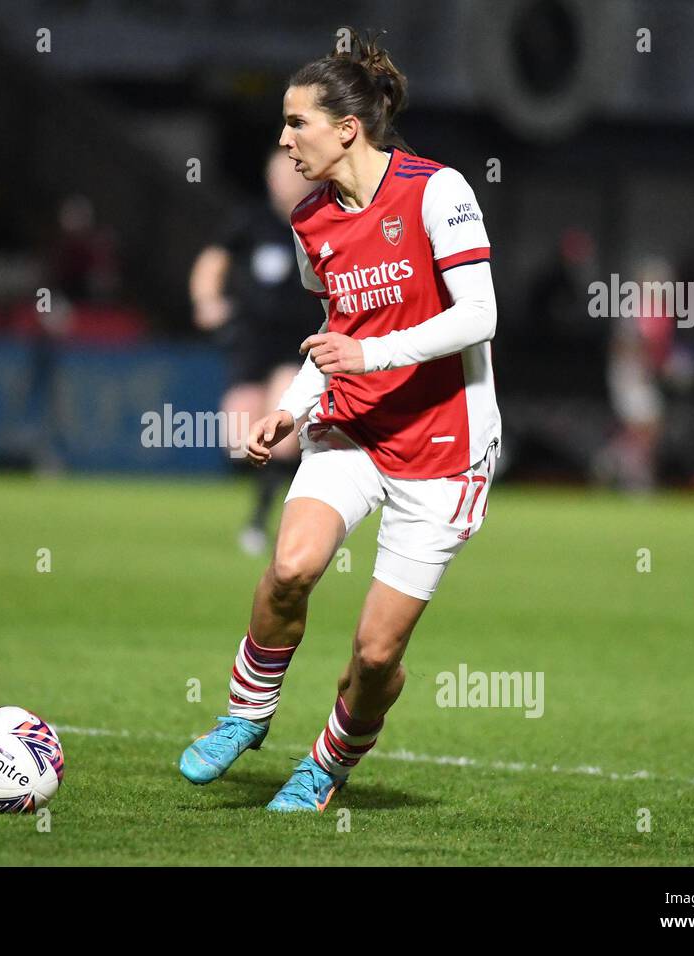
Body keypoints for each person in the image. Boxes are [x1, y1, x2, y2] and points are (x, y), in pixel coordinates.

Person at [178, 30, 502, 812]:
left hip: (443, 446)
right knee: (291, 566)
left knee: (375, 653)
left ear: (347, 127)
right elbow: (334, 340)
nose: (284, 141)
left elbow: (481, 316)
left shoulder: (438, 191)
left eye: (297, 124)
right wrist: (287, 413)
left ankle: (326, 765)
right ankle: (245, 714)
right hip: (352, 428)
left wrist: (375, 355)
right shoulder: (310, 223)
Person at [190, 149, 316, 554]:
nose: (283, 181)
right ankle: (273, 500)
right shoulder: (251, 221)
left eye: (290, 173)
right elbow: (212, 261)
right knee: (238, 438)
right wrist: (207, 300)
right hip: (250, 338)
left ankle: (261, 521)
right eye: (275, 174)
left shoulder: (320, 220)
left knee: (282, 436)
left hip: (297, 340)